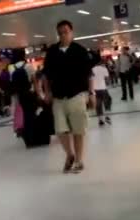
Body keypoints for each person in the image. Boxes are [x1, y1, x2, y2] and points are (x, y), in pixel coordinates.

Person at [43, 20, 95, 174]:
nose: (63, 35)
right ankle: (70, 154)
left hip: (77, 95)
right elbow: (46, 76)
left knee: (78, 130)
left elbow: (89, 74)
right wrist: (47, 92)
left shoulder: (79, 51)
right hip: (58, 97)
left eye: (66, 31)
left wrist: (91, 93)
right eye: (60, 32)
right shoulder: (52, 52)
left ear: (72, 32)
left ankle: (79, 160)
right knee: (60, 130)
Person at [92, 58, 112, 126]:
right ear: (100, 62)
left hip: (95, 90)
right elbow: (107, 79)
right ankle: (107, 116)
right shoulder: (104, 68)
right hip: (103, 88)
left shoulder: (92, 69)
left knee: (98, 105)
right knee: (108, 101)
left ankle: (100, 120)